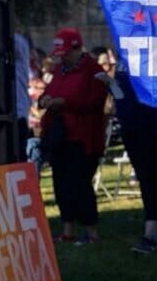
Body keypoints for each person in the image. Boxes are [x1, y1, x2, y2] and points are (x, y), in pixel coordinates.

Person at [39, 28, 107, 244]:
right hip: (60, 135)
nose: (62, 57)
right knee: (61, 183)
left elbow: (96, 102)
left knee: (80, 184)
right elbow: (48, 91)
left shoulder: (93, 70)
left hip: (83, 137)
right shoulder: (61, 70)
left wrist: (65, 103)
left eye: (66, 52)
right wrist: (46, 99)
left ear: (78, 48)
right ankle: (68, 229)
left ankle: (91, 231)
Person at [111, 62, 157, 253]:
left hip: (153, 123)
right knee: (145, 176)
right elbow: (120, 86)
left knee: (151, 176)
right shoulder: (123, 50)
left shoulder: (151, 47)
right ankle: (155, 227)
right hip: (130, 122)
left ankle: (152, 231)